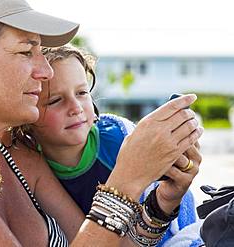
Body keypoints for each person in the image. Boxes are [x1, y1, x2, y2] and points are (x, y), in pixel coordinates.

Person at [0, 0, 203, 246]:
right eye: (25, 51)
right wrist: (126, 178)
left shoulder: (14, 153)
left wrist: (162, 201)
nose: (45, 71)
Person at [12, 45, 204, 246]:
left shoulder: (117, 139)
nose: (76, 108)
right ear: (27, 117)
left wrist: (167, 193)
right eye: (55, 101)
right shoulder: (32, 167)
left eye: (82, 93)